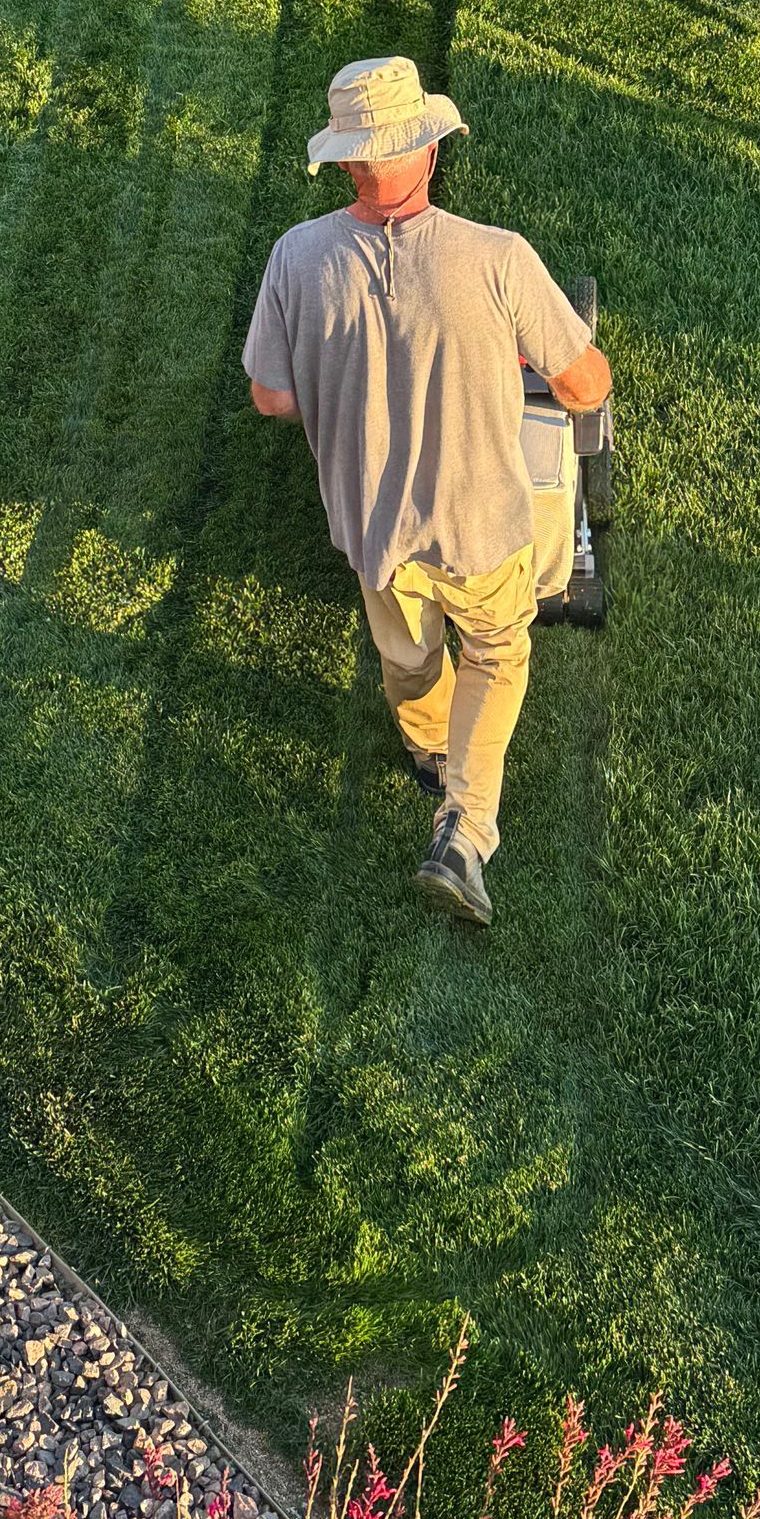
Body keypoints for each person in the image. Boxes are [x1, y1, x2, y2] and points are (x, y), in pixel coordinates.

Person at [242, 55, 612, 929]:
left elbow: (272, 397)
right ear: (431, 150)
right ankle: (465, 828)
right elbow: (586, 387)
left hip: (371, 530)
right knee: (497, 652)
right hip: (481, 529)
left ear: (343, 163)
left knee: (408, 656)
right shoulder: (498, 258)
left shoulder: (295, 258)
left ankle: (428, 752)